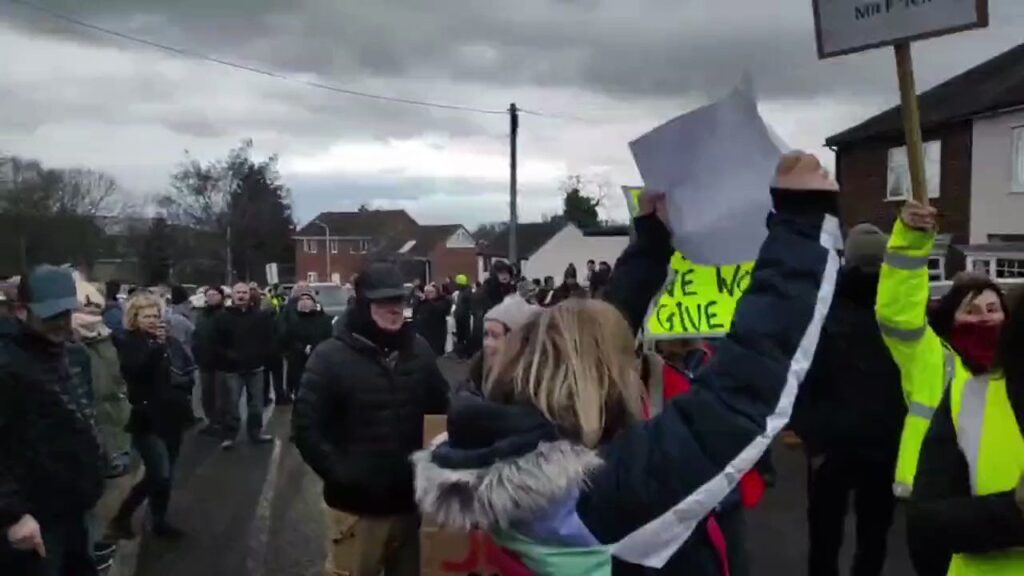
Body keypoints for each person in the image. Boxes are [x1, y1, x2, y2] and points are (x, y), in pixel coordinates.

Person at [413, 152, 843, 575]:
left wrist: (652, 243)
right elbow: (741, 392)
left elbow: (594, 339)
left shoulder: (496, 452)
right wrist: (802, 223)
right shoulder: (607, 496)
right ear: (596, 381)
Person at [877, 201, 1021, 576]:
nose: (985, 318)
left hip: (1005, 504)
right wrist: (910, 241)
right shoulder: (931, 356)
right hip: (938, 498)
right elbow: (897, 312)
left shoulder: (1015, 363)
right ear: (951, 317)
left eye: (993, 309)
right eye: (972, 311)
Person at [293, 262, 451, 576]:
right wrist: (343, 475)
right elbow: (306, 428)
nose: (395, 309)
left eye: (399, 301)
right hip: (356, 510)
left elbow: (442, 410)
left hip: (410, 504)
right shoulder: (329, 357)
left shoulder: (419, 350)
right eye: (384, 302)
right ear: (364, 305)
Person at [790, 223, 905, 576]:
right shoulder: (901, 311)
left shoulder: (821, 308)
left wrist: (810, 434)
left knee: (824, 538)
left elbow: (801, 376)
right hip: (884, 444)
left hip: (831, 446)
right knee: (874, 537)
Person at [0, 265, 107, 576]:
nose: (60, 322)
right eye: (50, 315)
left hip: (75, 506)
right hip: (33, 518)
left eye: (65, 313)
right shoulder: (7, 365)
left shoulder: (75, 356)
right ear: (22, 311)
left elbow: (83, 418)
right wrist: (11, 514)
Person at [106, 293, 194, 542]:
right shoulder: (126, 341)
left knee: (168, 473)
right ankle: (121, 518)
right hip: (146, 417)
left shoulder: (167, 340)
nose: (153, 320)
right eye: (147, 316)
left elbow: (181, 367)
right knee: (159, 472)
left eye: (156, 315)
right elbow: (135, 372)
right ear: (135, 318)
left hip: (172, 413)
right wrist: (157, 348)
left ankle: (159, 520)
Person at [214, 282, 276, 450]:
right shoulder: (223, 317)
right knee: (232, 404)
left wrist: (263, 356)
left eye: (244, 292)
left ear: (250, 295)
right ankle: (229, 435)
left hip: (256, 367)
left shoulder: (260, 316)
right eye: (238, 293)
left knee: (256, 403)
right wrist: (228, 355)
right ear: (232, 296)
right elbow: (216, 342)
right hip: (232, 368)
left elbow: (268, 339)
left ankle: (255, 432)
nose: (241, 295)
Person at [463, 294, 540, 395]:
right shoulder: (477, 369)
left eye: (495, 336)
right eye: (486, 334)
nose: (488, 343)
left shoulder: (528, 384)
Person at [277, 288, 332, 404]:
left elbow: (328, 338)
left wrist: (316, 348)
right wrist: (302, 348)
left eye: (308, 298)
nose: (305, 301)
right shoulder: (294, 323)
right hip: (299, 365)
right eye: (302, 299)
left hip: (320, 365)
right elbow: (288, 340)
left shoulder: (324, 320)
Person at [193, 286, 226, 436]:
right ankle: (212, 421)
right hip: (204, 361)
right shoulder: (202, 316)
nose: (211, 297)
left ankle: (222, 423)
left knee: (221, 396)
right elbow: (196, 335)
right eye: (209, 295)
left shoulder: (226, 315)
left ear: (221, 297)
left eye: (215, 294)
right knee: (207, 395)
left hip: (222, 362)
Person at [471, 261, 517, 352]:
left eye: (506, 273)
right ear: (495, 274)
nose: (504, 276)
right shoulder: (487, 289)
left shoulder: (509, 289)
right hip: (489, 328)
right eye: (501, 273)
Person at [414, 284, 452, 357]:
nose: (428, 294)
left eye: (431, 292)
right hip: (423, 331)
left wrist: (426, 300)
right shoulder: (422, 302)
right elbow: (415, 312)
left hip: (436, 332)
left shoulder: (443, 300)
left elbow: (438, 310)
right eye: (426, 292)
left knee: (434, 353)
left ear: (437, 292)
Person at [452, 274, 473, 359]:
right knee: (462, 335)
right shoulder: (463, 292)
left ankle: (465, 353)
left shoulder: (466, 293)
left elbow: (466, 306)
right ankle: (462, 352)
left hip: (464, 316)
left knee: (464, 335)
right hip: (461, 316)